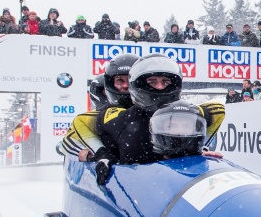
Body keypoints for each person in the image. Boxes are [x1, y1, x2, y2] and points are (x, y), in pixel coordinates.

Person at [65, 54, 224, 183]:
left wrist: (200, 148)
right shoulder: (121, 117)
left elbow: (217, 110)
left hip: (175, 182)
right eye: (152, 82)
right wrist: (101, 153)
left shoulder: (185, 112)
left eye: (165, 82)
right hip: (140, 186)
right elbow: (80, 122)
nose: (160, 87)